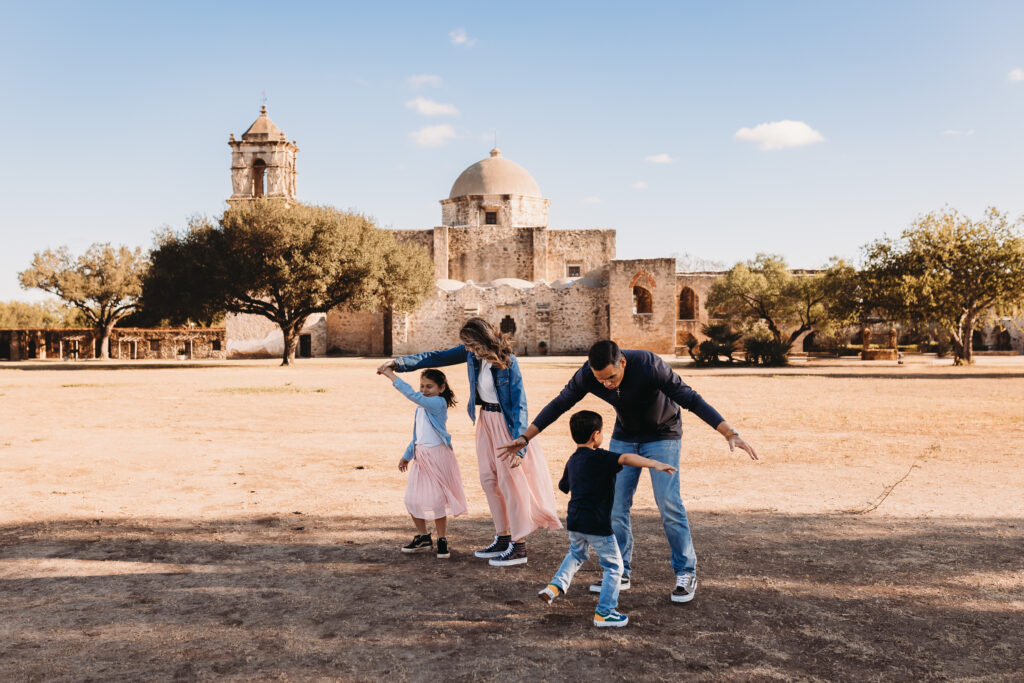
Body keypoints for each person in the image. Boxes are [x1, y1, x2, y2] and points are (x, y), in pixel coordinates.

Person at [499, 340, 758, 603]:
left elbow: (690, 398)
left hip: (663, 434)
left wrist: (729, 433)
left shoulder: (649, 365)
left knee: (668, 502)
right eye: (601, 380)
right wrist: (525, 437)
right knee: (615, 505)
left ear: (622, 362)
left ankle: (685, 572)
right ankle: (620, 570)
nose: (607, 385)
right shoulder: (589, 375)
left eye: (611, 377)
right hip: (625, 436)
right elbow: (560, 403)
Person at [378, 318, 561, 567]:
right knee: (489, 480)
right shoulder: (472, 355)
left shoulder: (508, 362)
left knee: (510, 482)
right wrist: (399, 363)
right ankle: (503, 537)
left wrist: (521, 444)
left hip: (506, 425)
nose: (467, 349)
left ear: (481, 341)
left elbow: (520, 403)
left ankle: (518, 546)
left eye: (470, 344)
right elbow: (436, 357)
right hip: (485, 420)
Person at [538, 410, 677, 628]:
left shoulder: (573, 460)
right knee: (614, 566)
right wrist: (654, 464)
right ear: (596, 435)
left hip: (575, 521)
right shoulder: (602, 458)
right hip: (597, 524)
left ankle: (555, 586)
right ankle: (605, 612)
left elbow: (563, 487)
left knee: (576, 553)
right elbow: (626, 458)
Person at [377, 365, 468, 560]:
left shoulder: (437, 403)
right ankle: (424, 536)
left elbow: (412, 395)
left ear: (441, 388)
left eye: (430, 386)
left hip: (437, 457)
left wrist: (390, 375)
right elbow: (417, 436)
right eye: (422, 386)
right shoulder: (421, 408)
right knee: (412, 499)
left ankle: (442, 540)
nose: (424, 390)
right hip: (421, 457)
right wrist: (407, 455)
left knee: (436, 501)